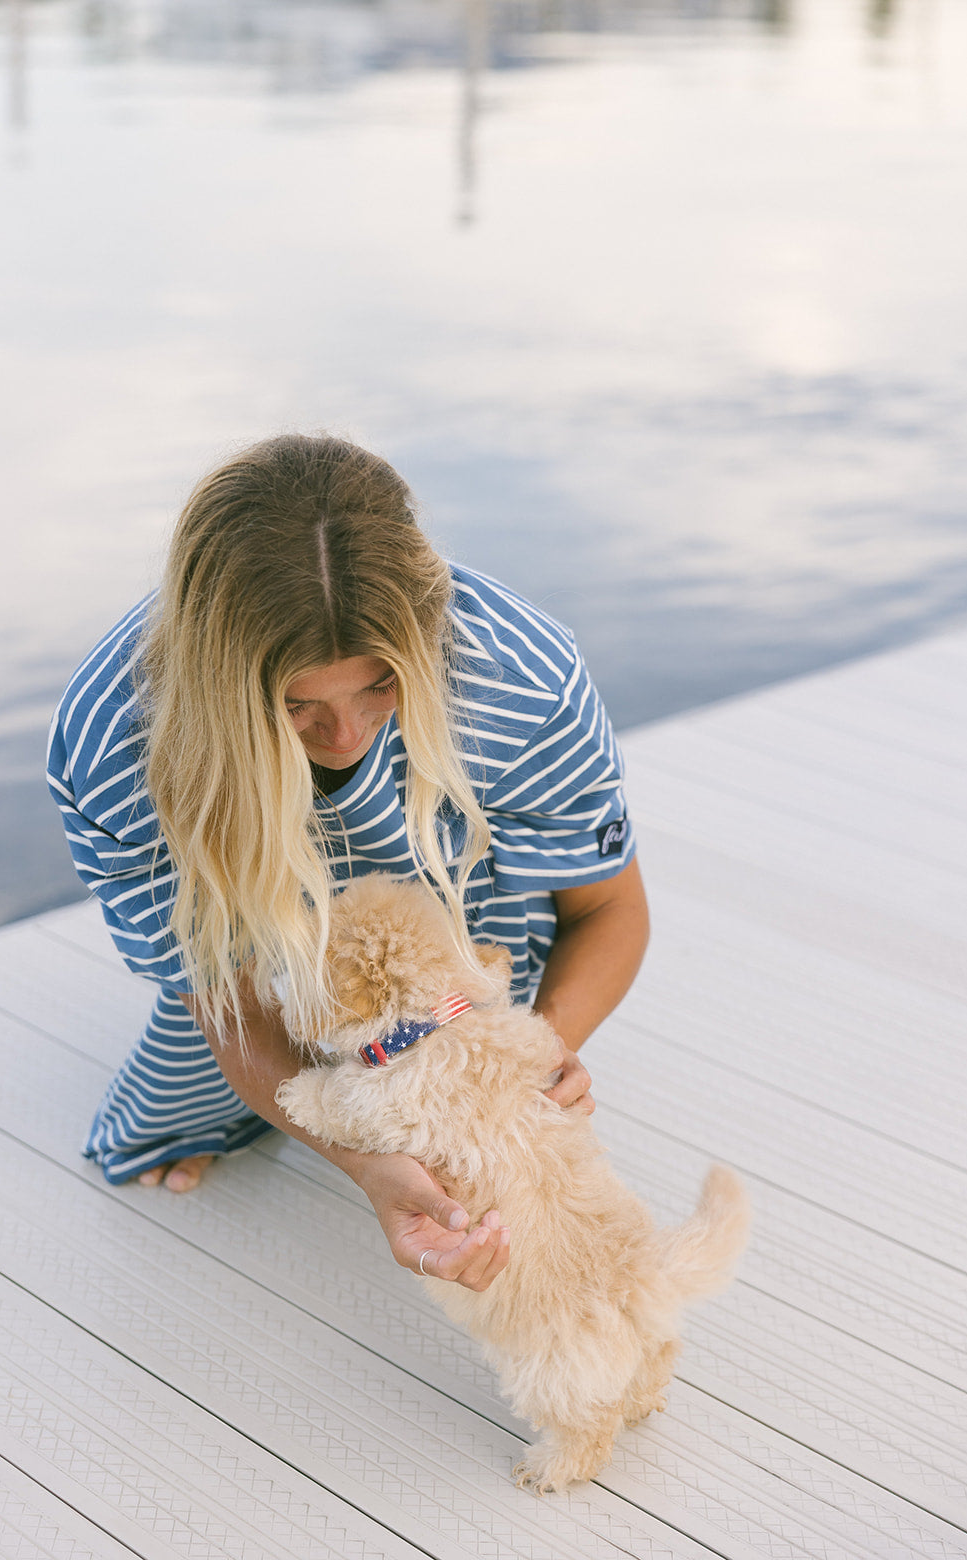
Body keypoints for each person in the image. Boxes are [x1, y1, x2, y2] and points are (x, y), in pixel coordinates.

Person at [48, 435, 649, 1294]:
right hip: (261, 948)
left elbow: (607, 912)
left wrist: (524, 1067)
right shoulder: (115, 736)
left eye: (379, 686)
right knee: (164, 1128)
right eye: (296, 705)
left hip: (459, 915)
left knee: (476, 1122)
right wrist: (371, 1163)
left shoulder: (522, 675)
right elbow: (218, 994)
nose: (345, 735)